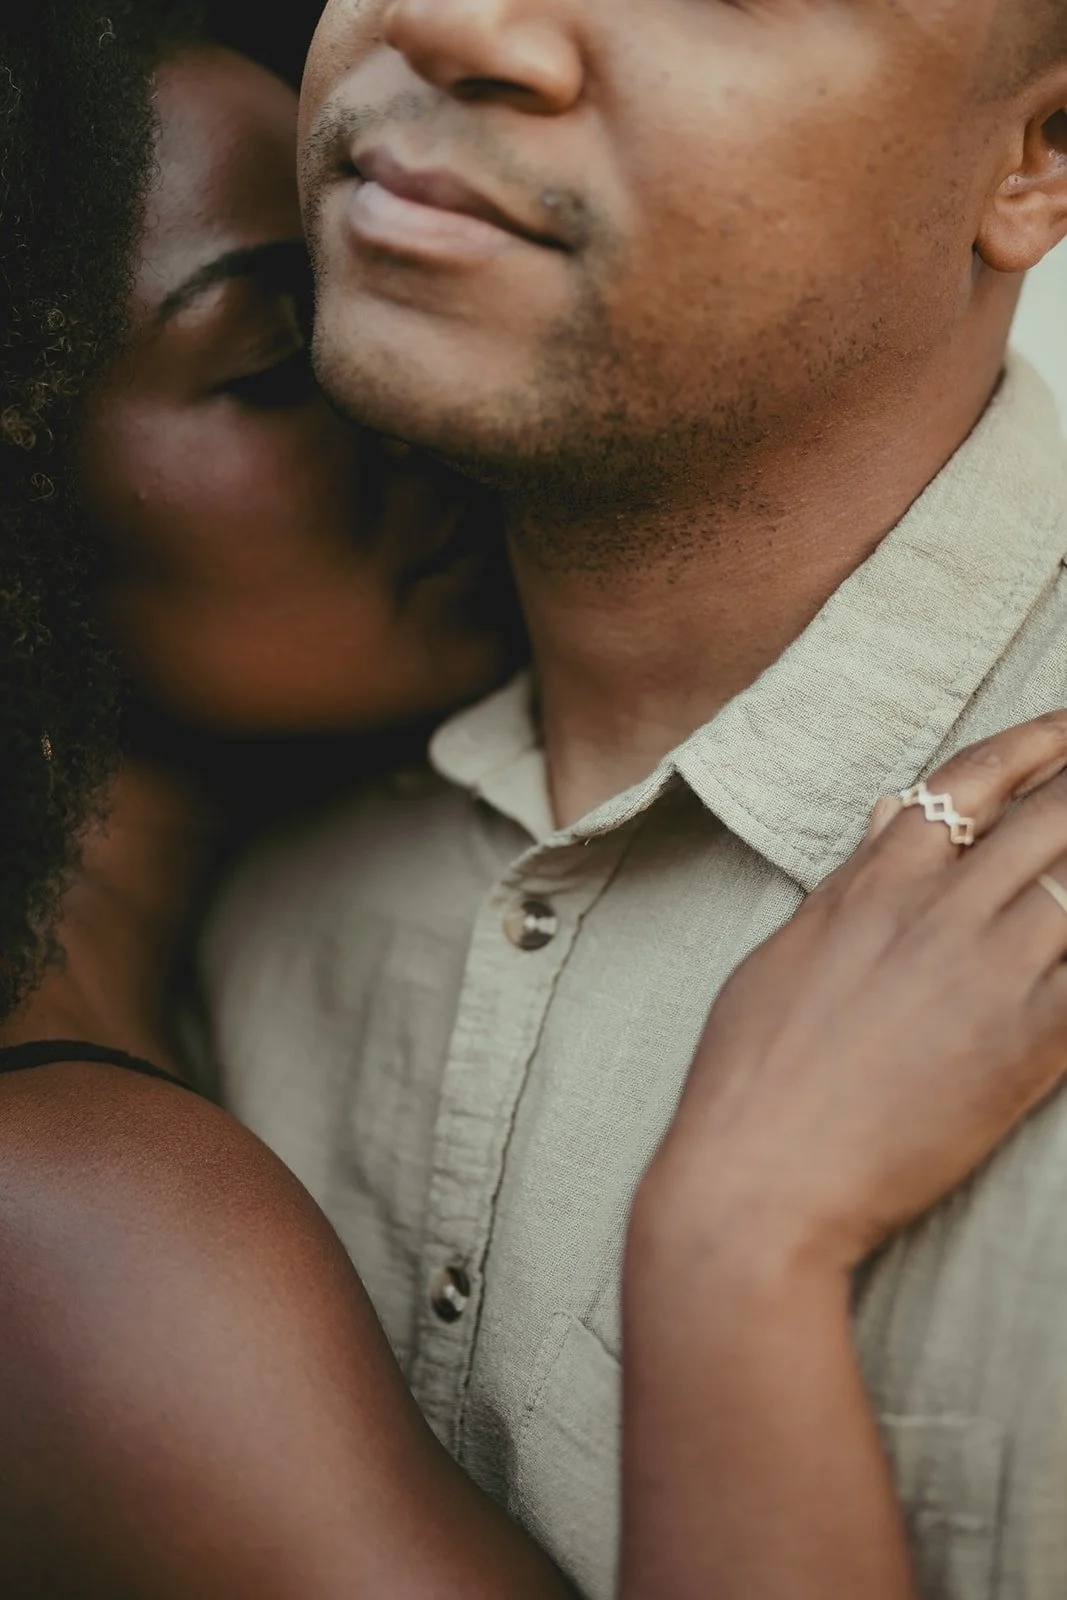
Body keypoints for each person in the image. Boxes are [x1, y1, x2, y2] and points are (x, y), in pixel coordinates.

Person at [9, 6, 1058, 1597]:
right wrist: (727, 1247)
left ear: (1035, 157)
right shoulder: (110, 1143)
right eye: (271, 353)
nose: (454, 14)